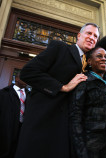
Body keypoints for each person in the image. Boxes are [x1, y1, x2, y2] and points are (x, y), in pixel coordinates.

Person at [15, 23, 100, 158]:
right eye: (88, 33)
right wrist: (62, 87)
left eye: (95, 36)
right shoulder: (60, 48)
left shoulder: (89, 65)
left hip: (66, 128)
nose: (92, 37)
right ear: (79, 35)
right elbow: (28, 72)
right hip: (43, 120)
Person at [70, 46, 106, 158]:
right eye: (99, 56)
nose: (104, 59)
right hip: (90, 146)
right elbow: (75, 116)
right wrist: (81, 151)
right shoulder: (84, 81)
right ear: (89, 61)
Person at [0, 70, 28, 158]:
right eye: (24, 78)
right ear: (16, 78)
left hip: (22, 130)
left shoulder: (30, 96)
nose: (26, 81)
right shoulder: (3, 94)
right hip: (6, 129)